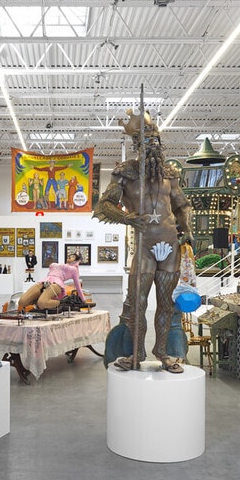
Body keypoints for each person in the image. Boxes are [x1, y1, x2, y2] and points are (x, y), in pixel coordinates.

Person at [93, 109, 193, 374]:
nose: (152, 144)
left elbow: (182, 205)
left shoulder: (170, 174)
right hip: (144, 246)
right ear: (137, 143)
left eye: (155, 139)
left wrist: (187, 229)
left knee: (166, 305)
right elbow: (104, 205)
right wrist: (127, 218)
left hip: (170, 245)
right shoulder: (124, 173)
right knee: (137, 303)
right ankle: (136, 353)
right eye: (146, 139)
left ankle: (163, 353)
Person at [18, 252, 85, 311]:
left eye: (73, 256)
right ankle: (39, 300)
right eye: (69, 255)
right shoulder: (56, 265)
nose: (70, 256)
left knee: (42, 303)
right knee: (22, 301)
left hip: (57, 284)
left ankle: (63, 303)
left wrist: (83, 300)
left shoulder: (74, 269)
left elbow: (78, 286)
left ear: (76, 261)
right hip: (44, 281)